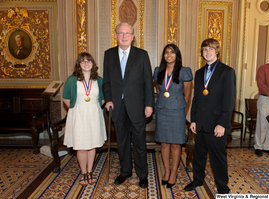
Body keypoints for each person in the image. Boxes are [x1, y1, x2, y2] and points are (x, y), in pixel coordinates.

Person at [102, 23, 154, 188]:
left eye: (127, 33)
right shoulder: (109, 55)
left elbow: (147, 82)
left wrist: (149, 105)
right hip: (116, 106)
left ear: (132, 36)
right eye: (120, 33)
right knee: (122, 141)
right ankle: (125, 172)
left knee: (139, 141)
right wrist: (108, 99)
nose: (124, 36)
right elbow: (107, 82)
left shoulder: (142, 55)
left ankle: (142, 174)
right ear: (116, 36)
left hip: (137, 105)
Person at [183, 38, 236, 194]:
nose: (207, 52)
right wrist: (193, 120)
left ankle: (222, 188)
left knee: (217, 159)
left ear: (217, 51)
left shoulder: (227, 72)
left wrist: (223, 124)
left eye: (211, 49)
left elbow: (229, 101)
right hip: (200, 123)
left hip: (217, 124)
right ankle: (198, 180)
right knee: (198, 156)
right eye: (205, 49)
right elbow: (197, 98)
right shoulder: (199, 73)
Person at [63, 52, 107, 186]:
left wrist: (93, 108)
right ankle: (83, 173)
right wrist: (77, 110)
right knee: (81, 146)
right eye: (83, 61)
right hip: (78, 115)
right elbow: (66, 98)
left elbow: (103, 98)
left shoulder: (99, 80)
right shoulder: (72, 79)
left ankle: (90, 171)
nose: (86, 63)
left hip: (94, 115)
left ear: (93, 63)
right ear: (79, 64)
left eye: (89, 61)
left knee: (92, 144)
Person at [153, 44, 193, 188]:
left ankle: (174, 172)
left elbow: (187, 94)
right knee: (164, 143)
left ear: (177, 54)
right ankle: (167, 171)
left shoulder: (184, 71)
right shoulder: (158, 70)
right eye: (166, 52)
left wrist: (181, 107)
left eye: (172, 52)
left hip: (177, 111)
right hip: (162, 109)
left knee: (176, 144)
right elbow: (158, 89)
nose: (169, 54)